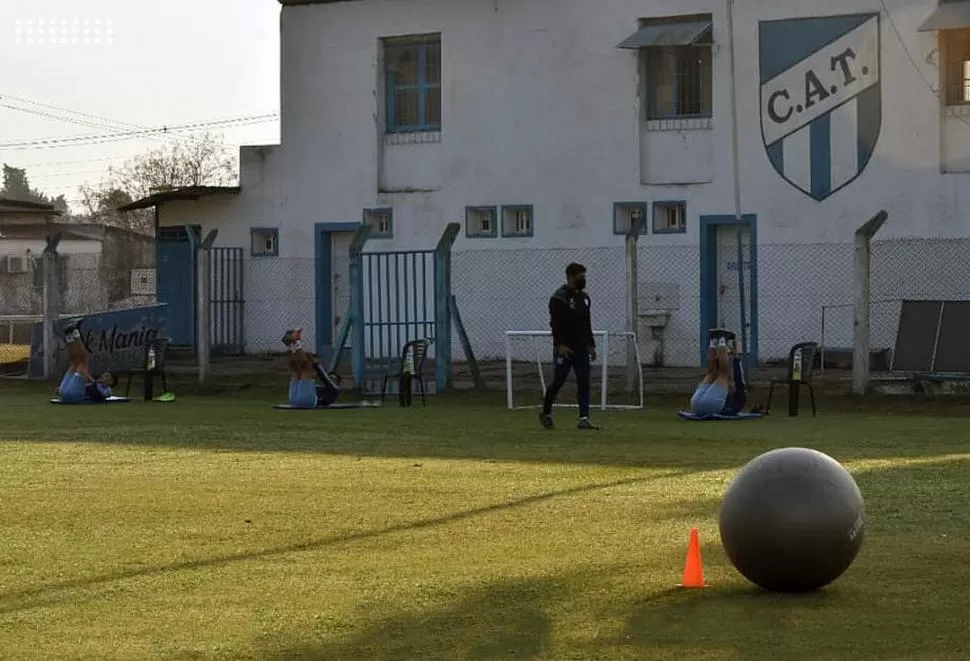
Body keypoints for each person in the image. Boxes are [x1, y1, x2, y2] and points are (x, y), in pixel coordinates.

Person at [539, 262, 598, 430]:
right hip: (565, 349)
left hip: (580, 348)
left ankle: (584, 418)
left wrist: (591, 345)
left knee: (584, 381)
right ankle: (546, 412)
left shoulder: (584, 298)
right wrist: (560, 345)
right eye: (581, 276)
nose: (584, 279)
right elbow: (555, 324)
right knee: (558, 381)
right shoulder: (559, 297)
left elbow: (587, 323)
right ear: (571, 277)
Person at [281, 328, 342, 407]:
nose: (331, 379)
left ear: (337, 382)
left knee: (307, 367)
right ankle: (290, 345)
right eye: (331, 377)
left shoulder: (335, 390)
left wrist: (317, 365)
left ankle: (295, 343)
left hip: (307, 401)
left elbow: (324, 378)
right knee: (296, 369)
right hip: (294, 399)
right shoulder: (321, 388)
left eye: (334, 378)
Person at [690, 343, 735, 416]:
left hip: (696, 405)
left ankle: (714, 342)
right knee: (722, 374)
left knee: (712, 373)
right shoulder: (729, 376)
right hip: (704, 406)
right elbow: (732, 389)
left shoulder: (717, 377)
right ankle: (720, 341)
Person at [56, 321, 92, 403]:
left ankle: (75, 332)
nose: (104, 377)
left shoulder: (107, 390)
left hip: (73, 396)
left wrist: (91, 380)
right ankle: (69, 335)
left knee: (83, 359)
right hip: (62, 395)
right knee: (74, 362)